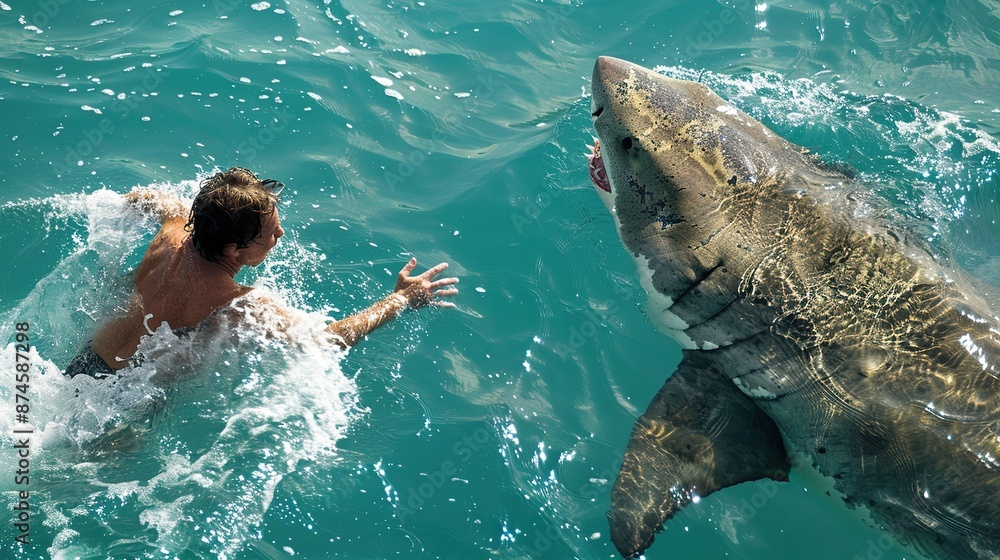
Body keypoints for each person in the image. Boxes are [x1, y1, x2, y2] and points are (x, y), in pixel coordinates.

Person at [64, 166, 458, 379]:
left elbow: (141, 196)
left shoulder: (172, 229)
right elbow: (327, 341)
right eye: (270, 234)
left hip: (86, 363)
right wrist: (402, 299)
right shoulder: (237, 302)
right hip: (123, 402)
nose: (280, 235)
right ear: (234, 249)